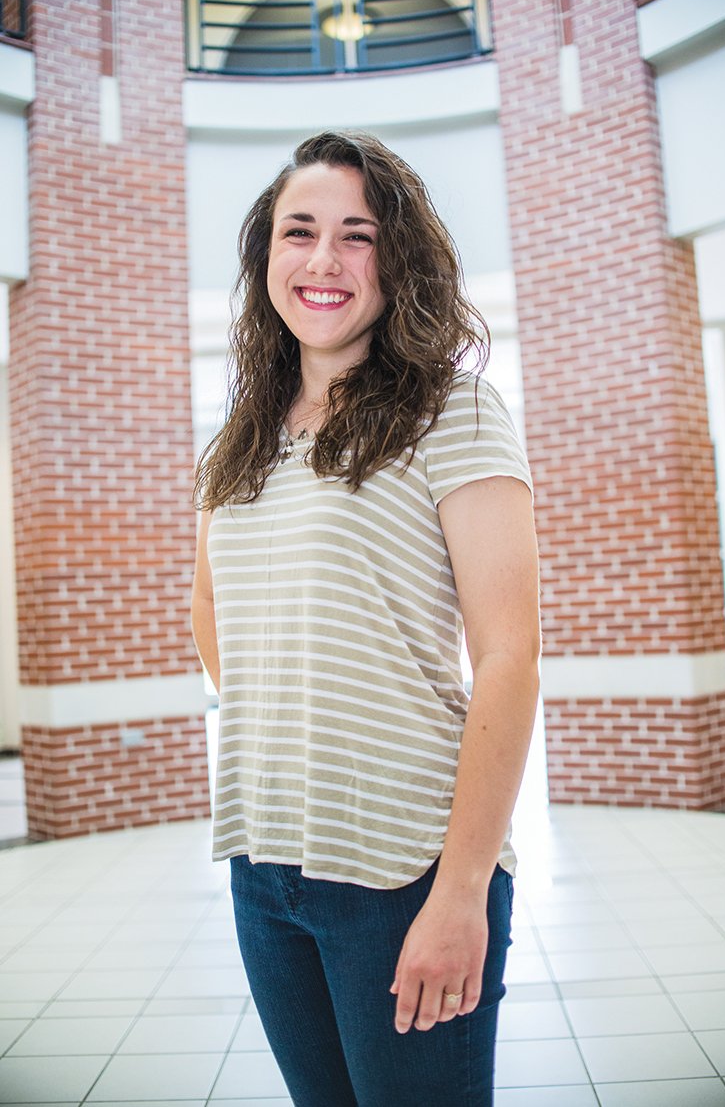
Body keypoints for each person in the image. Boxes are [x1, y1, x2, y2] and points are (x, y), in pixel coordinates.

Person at [190, 130, 540, 1107]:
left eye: (359, 235)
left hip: (406, 870)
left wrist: (460, 887)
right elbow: (213, 602)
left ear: (397, 262)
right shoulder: (239, 439)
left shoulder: (451, 412)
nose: (325, 259)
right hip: (264, 860)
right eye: (299, 231)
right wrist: (296, 713)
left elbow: (508, 655)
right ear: (267, 255)